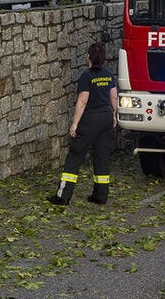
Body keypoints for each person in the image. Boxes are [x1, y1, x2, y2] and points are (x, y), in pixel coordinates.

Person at [48, 42, 118, 206]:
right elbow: (113, 97)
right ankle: (101, 195)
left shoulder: (86, 76)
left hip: (90, 121)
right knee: (101, 158)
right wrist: (114, 115)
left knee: (75, 156)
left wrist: (74, 124)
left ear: (89, 57)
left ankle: (63, 196)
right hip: (106, 118)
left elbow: (82, 101)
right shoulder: (108, 75)